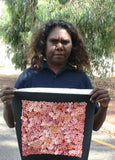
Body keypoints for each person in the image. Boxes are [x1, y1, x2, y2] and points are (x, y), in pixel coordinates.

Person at [0, 19, 110, 159]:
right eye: (54, 41)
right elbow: (11, 123)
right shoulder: (28, 77)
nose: (59, 46)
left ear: (73, 46)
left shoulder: (81, 80)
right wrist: (8, 104)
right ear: (44, 45)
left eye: (65, 42)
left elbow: (94, 126)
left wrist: (104, 107)